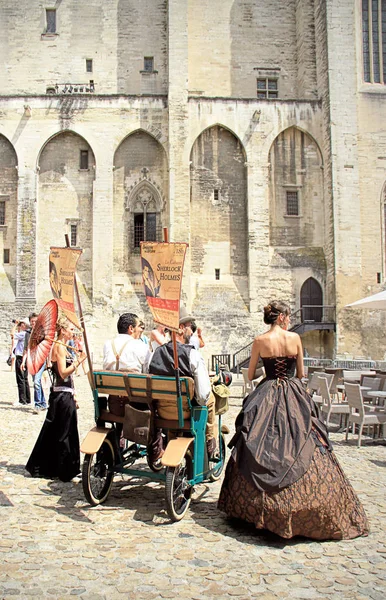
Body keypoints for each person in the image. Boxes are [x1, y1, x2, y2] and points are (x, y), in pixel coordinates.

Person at [218, 300, 369, 541]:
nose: (289, 319)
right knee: (304, 436)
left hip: (266, 391)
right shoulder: (294, 339)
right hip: (292, 392)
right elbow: (300, 373)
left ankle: (256, 508)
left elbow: (250, 374)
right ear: (281, 318)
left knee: (258, 436)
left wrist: (267, 372)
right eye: (287, 316)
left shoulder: (259, 341)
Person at [148, 306, 217, 455]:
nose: (191, 331)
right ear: (180, 328)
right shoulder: (192, 354)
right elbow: (203, 395)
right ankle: (210, 440)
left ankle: (173, 438)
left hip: (163, 410)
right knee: (210, 398)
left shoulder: (155, 353)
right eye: (188, 327)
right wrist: (199, 401)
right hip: (185, 411)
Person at [25, 316, 87, 481]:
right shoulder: (59, 347)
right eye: (71, 329)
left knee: (62, 429)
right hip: (60, 395)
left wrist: (75, 394)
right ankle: (65, 470)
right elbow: (63, 373)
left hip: (65, 393)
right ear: (64, 330)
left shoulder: (65, 347)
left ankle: (59, 467)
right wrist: (79, 362)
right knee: (64, 432)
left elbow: (69, 378)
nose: (73, 332)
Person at [103, 312, 151, 442]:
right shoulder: (140, 346)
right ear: (131, 328)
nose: (140, 330)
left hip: (113, 404)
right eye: (138, 326)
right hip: (135, 405)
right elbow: (148, 372)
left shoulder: (108, 344)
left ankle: (119, 438)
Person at [22, 312, 47, 413]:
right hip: (31, 361)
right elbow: (26, 349)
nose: (33, 323)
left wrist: (48, 362)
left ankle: (37, 405)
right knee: (37, 383)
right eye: (32, 321)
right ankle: (43, 403)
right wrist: (23, 362)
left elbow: (47, 348)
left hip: (40, 360)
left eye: (35, 321)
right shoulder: (27, 334)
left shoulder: (42, 333)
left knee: (36, 382)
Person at [11, 318, 31, 406]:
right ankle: (27, 399)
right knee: (25, 378)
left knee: (20, 378)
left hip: (20, 357)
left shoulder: (23, 334)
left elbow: (12, 334)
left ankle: (22, 400)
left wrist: (15, 325)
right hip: (26, 357)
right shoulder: (28, 333)